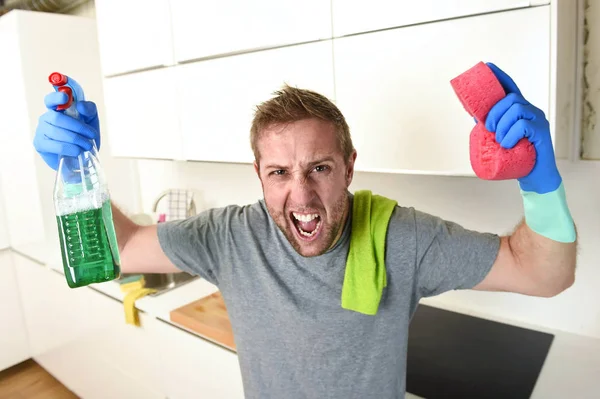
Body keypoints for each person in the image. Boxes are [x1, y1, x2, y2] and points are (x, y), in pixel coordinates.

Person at [34, 63, 577, 398]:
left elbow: (541, 273)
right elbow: (125, 247)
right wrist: (76, 168)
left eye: (319, 167)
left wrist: (540, 180)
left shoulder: (396, 237)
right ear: (260, 176)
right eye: (279, 172)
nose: (301, 193)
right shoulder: (231, 237)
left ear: (349, 167)